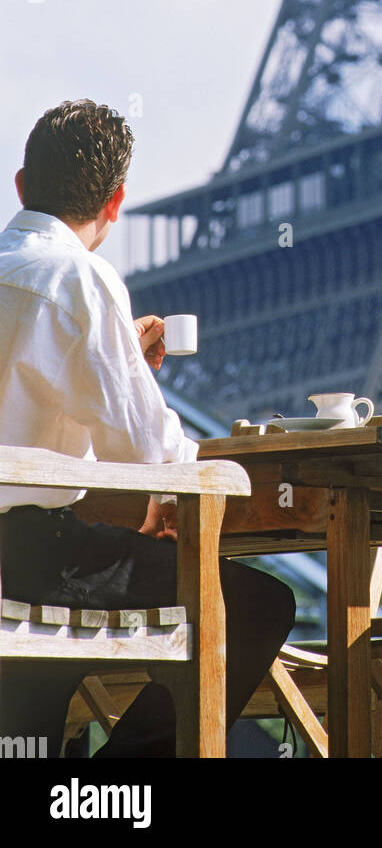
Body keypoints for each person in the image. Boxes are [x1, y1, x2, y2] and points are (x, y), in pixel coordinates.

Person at [0, 99, 295, 757]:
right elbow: (140, 454)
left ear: (23, 186)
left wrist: (117, 357)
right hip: (35, 558)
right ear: (116, 200)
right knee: (255, 606)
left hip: (14, 568)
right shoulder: (79, 277)